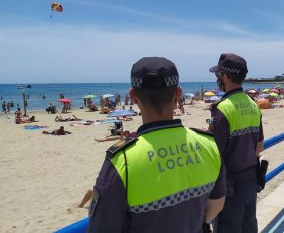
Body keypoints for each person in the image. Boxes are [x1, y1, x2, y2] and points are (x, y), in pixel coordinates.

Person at [88, 57, 225, 233]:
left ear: (134, 97)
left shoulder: (122, 160)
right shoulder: (208, 144)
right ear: (178, 94)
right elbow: (217, 205)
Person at [209, 53, 264, 233]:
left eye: (219, 75)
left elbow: (215, 155)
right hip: (251, 178)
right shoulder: (253, 104)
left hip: (230, 182)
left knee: (227, 227)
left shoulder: (223, 108)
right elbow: (260, 147)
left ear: (225, 77)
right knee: (249, 224)